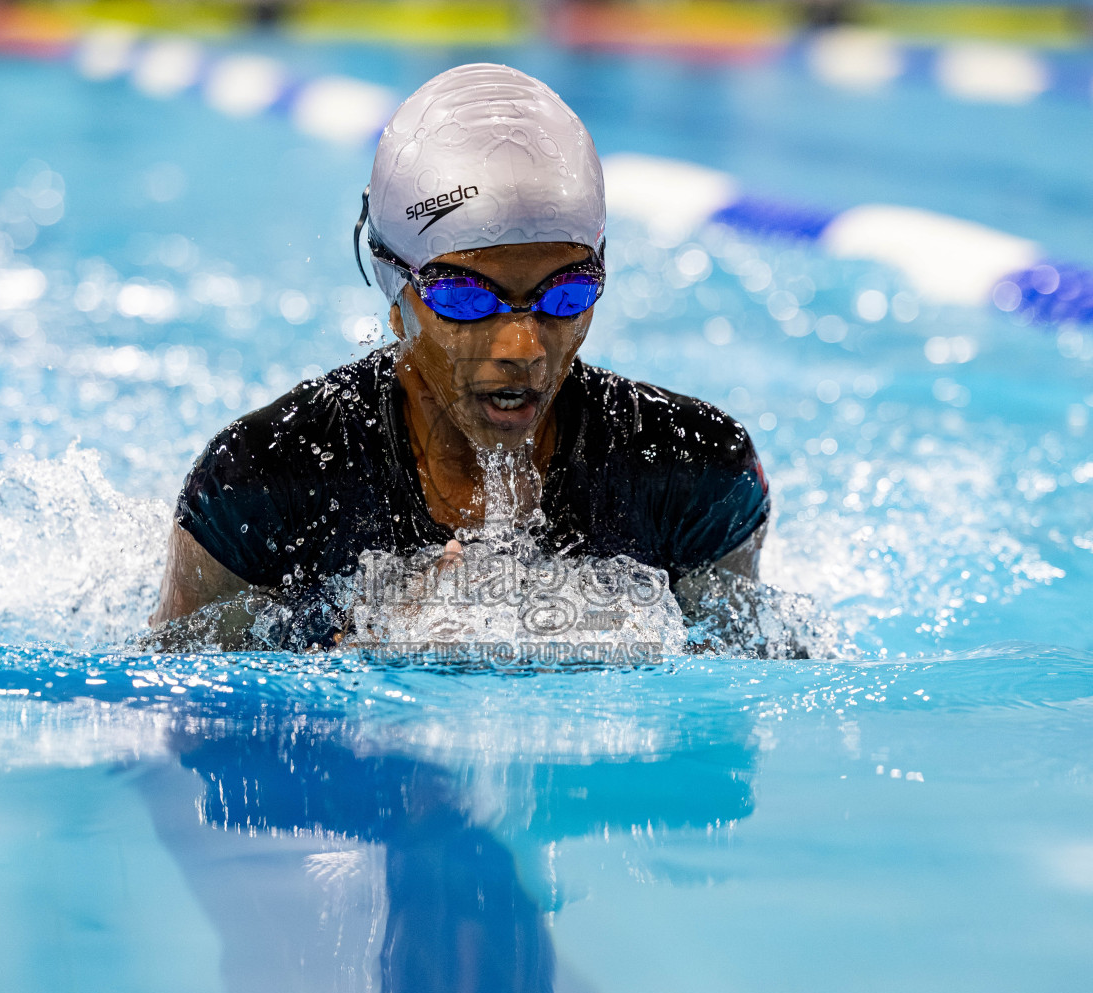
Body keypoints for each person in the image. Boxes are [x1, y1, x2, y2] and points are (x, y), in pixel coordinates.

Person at [151, 63, 772, 649]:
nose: (523, 349)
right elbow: (172, 709)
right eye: (467, 299)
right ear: (397, 299)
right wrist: (362, 654)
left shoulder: (693, 471)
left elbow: (742, 692)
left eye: (566, 293)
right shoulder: (267, 478)